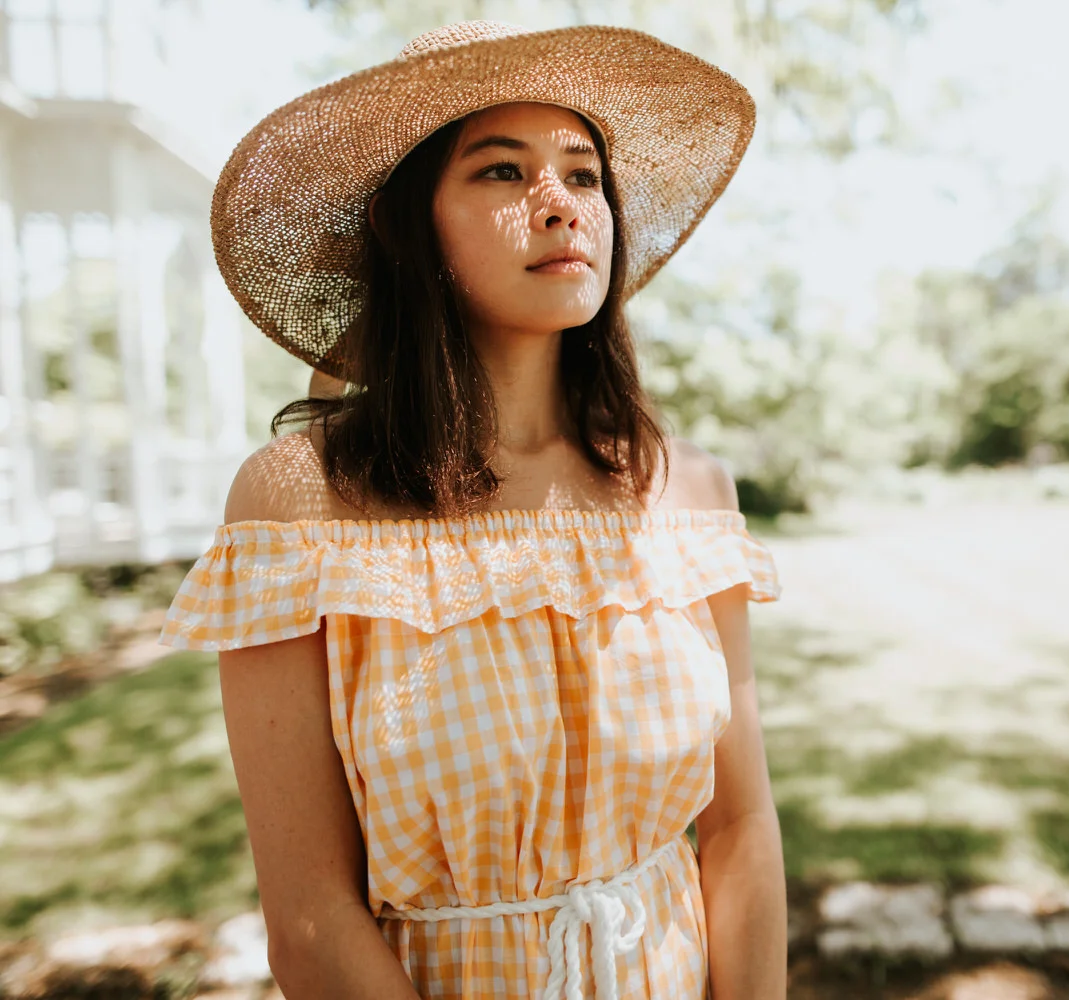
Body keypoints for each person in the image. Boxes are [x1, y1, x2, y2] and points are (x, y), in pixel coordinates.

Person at [158, 20, 785, 1000]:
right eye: (501, 173)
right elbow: (311, 917)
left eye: (584, 175)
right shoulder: (302, 502)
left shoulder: (688, 492)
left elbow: (741, 830)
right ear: (410, 230)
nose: (559, 205)